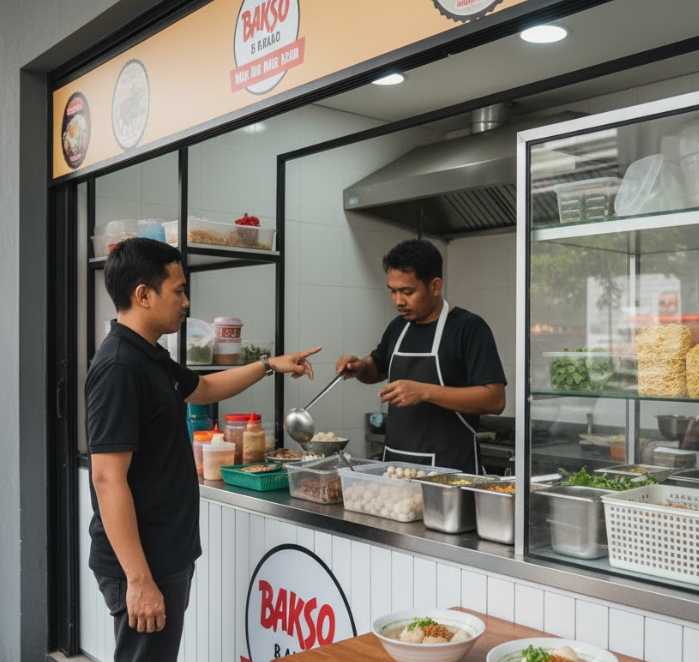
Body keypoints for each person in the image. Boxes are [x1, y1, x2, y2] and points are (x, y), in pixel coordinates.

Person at [86, 238, 320, 661]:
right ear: (143, 294)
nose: (186, 302)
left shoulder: (148, 355)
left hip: (163, 555)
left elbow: (205, 387)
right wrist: (139, 580)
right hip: (144, 563)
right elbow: (106, 479)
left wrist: (269, 365)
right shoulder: (120, 367)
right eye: (178, 290)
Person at [335, 239, 506, 474]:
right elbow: (377, 368)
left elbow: (495, 400)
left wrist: (424, 391)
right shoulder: (398, 327)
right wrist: (360, 367)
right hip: (395, 468)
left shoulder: (469, 328)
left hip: (451, 472)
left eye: (407, 292)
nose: (398, 301)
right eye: (393, 291)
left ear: (434, 286)